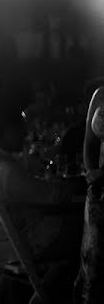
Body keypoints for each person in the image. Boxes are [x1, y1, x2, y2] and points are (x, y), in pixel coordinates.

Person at [0, 108, 82, 296]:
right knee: (88, 228)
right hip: (21, 248)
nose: (25, 134)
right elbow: (54, 196)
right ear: (7, 131)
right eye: (21, 129)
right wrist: (76, 185)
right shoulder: (4, 171)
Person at [78, 87, 104, 303]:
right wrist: (92, 173)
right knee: (92, 268)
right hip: (99, 194)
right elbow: (89, 142)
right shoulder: (100, 94)